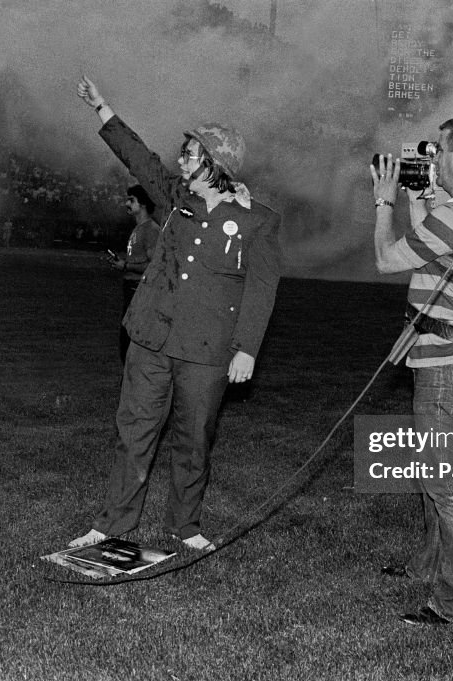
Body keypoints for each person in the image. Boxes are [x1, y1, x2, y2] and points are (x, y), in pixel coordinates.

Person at [70, 73, 281, 551]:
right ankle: (112, 523)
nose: (180, 159)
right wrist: (101, 107)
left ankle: (185, 525)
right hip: (151, 338)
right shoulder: (172, 198)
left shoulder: (257, 219)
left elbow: (262, 289)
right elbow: (137, 156)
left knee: (194, 439)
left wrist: (247, 348)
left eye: (189, 153)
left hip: (207, 349)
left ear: (213, 163)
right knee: (134, 432)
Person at [370, 116, 453, 625]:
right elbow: (434, 251)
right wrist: (416, 197)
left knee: (448, 483)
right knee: (437, 474)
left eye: (440, 151)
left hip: (448, 366)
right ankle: (430, 565)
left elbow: (387, 258)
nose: (434, 160)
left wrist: (384, 201)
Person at [106, 184, 161, 363]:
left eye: (131, 200)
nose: (127, 204)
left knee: (130, 339)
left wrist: (126, 266)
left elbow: (154, 265)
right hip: (131, 288)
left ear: (143, 204)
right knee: (126, 338)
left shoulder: (151, 230)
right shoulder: (139, 228)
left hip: (139, 290)